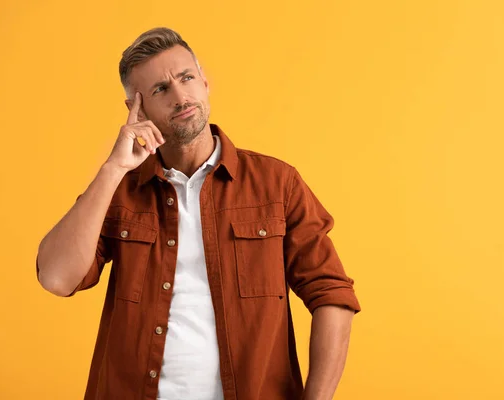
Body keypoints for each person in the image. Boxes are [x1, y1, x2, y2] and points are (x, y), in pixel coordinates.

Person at [36, 27, 361, 400]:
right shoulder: (119, 190)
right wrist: (112, 169)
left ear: (205, 82)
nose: (180, 96)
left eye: (186, 78)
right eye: (160, 89)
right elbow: (57, 278)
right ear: (135, 109)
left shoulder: (277, 183)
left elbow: (332, 293)